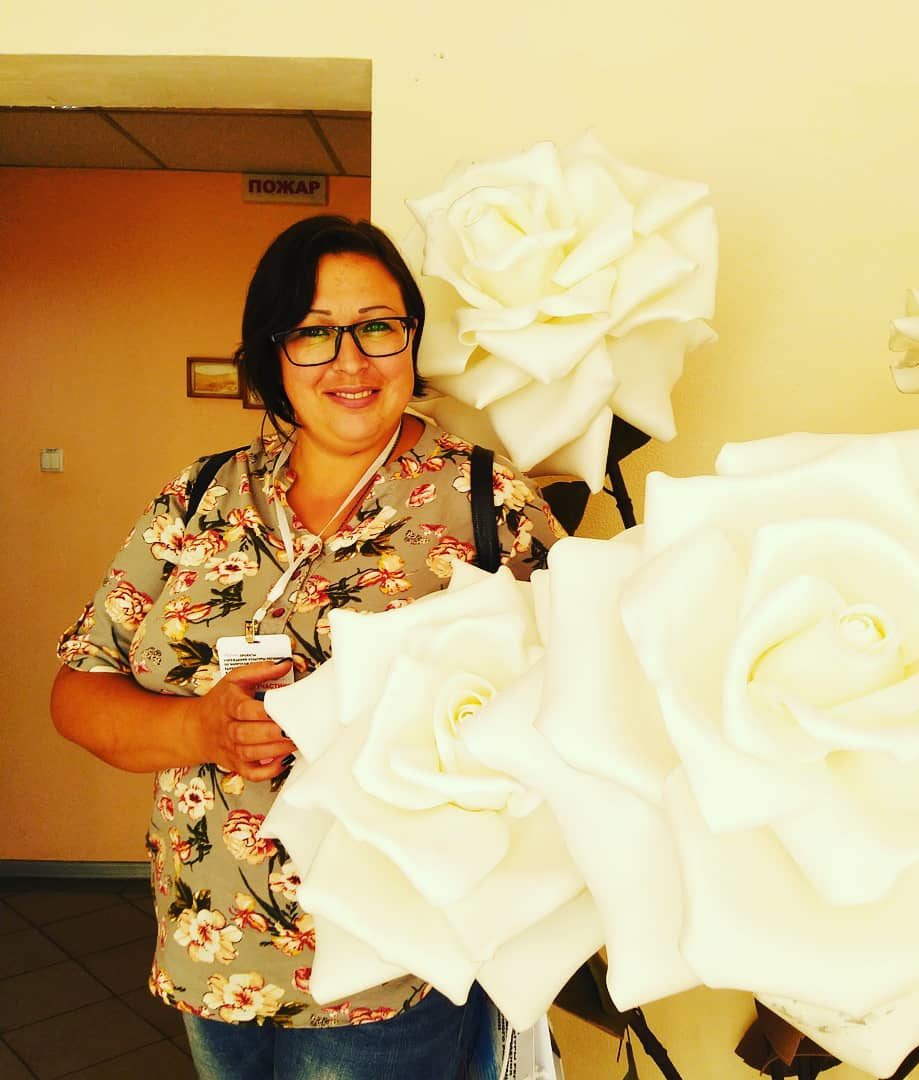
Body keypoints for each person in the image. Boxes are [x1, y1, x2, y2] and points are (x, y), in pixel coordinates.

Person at [51, 215, 565, 1079]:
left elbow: (582, 711)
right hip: (214, 948)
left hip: (394, 966)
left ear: (411, 338)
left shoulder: (485, 501)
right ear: (273, 353)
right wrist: (200, 730)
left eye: (378, 327)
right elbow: (77, 690)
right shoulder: (201, 496)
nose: (351, 362)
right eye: (314, 333)